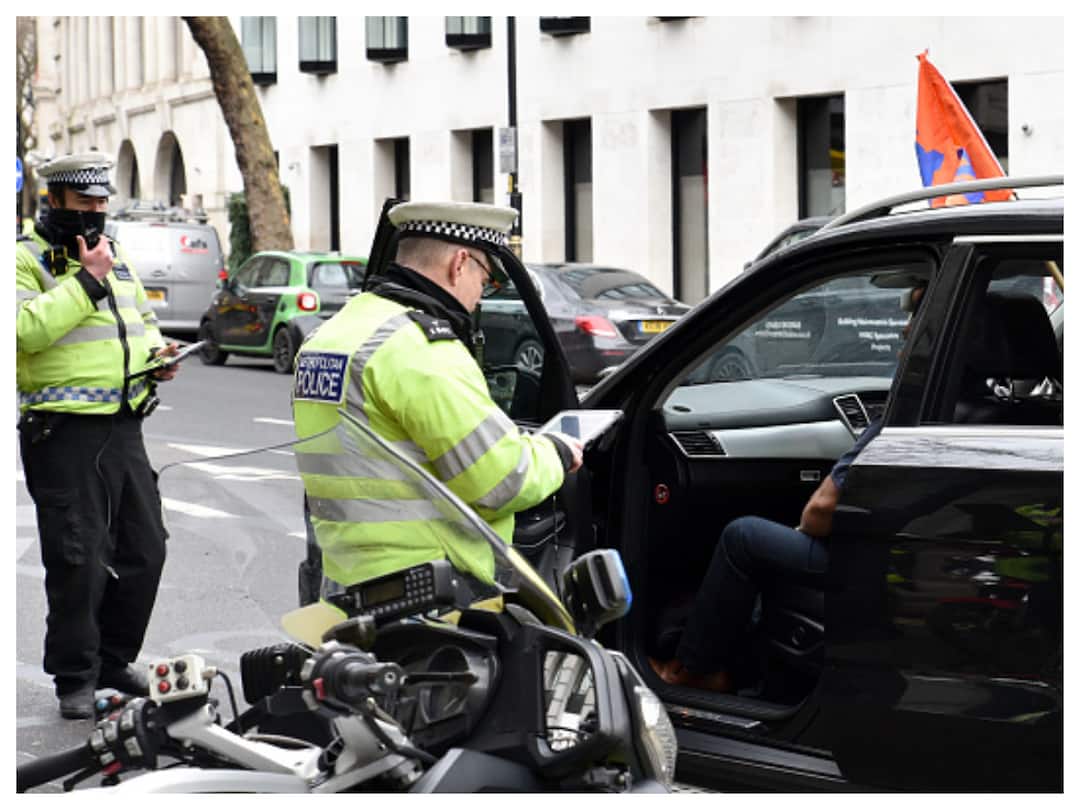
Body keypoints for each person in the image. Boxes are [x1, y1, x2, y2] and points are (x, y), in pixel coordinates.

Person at [292, 201, 582, 597]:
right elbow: (503, 479)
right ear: (459, 263)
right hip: (427, 592)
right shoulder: (421, 350)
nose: (482, 295)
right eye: (487, 278)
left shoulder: (331, 336)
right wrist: (557, 452)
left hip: (344, 582)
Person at [651, 283, 926, 692]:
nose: (905, 332)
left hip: (862, 558)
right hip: (902, 553)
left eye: (915, 322)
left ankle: (694, 668)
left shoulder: (908, 412)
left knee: (742, 537)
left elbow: (819, 514)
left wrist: (803, 528)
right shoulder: (978, 408)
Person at [16, 152, 181, 719]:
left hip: (124, 424)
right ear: (55, 200)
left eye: (102, 202)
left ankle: (114, 660)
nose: (96, 212)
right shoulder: (23, 259)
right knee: (79, 560)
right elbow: (24, 330)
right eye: (84, 202)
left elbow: (142, 323)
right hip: (61, 433)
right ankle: (75, 679)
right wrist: (86, 281)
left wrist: (161, 356)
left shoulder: (117, 257)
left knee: (146, 550)